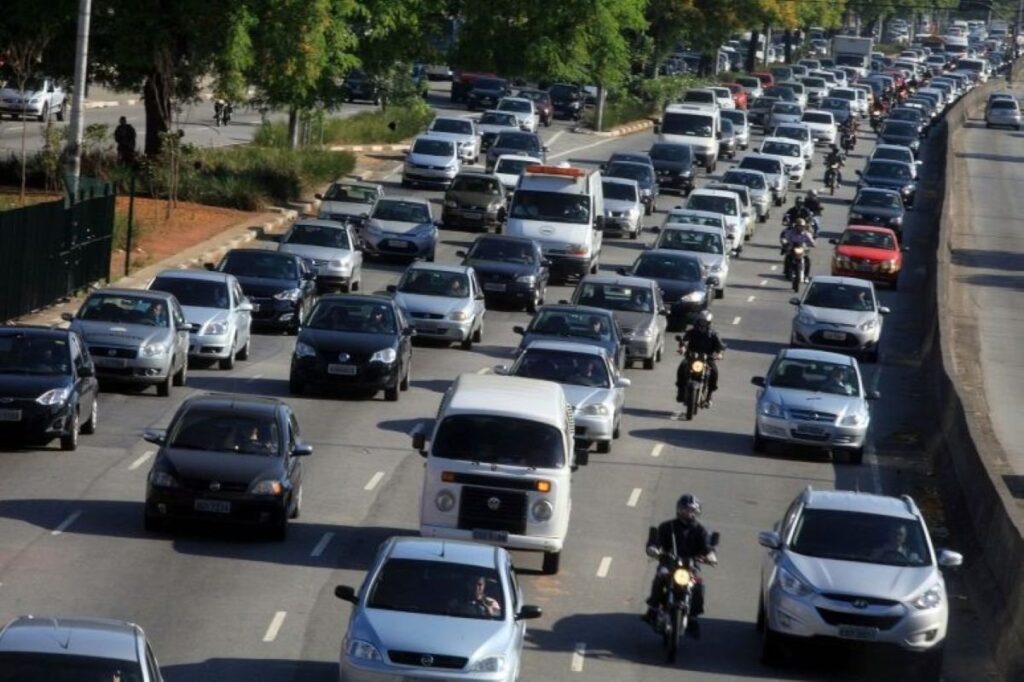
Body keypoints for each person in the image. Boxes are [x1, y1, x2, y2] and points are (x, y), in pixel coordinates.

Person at [642, 494, 717, 637]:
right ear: (679, 510)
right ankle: (652, 609)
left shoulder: (700, 530)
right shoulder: (667, 527)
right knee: (661, 575)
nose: (689, 513)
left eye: (692, 510)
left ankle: (693, 617)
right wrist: (654, 548)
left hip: (690, 566)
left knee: (698, 585)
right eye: (685, 510)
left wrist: (710, 555)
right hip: (669, 563)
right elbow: (656, 541)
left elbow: (707, 546)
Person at [677, 311, 725, 405]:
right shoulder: (692, 332)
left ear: (709, 323)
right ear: (698, 321)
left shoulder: (713, 334)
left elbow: (720, 346)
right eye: (701, 321)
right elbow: (684, 339)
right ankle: (680, 391)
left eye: (705, 322)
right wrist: (682, 348)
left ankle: (709, 395)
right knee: (682, 367)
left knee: (714, 372)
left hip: (707, 358)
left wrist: (719, 354)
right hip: (692, 357)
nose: (702, 324)